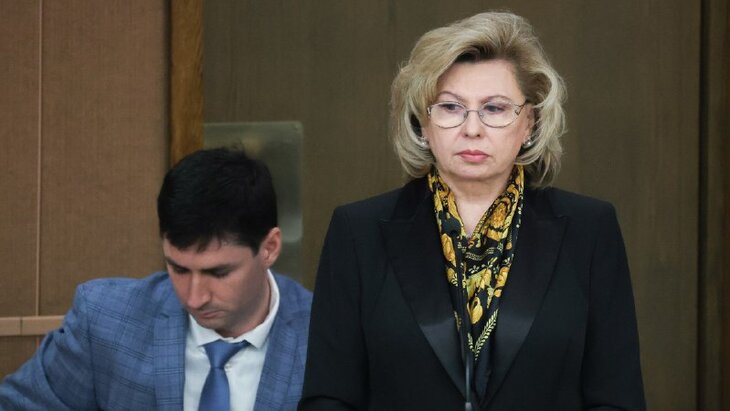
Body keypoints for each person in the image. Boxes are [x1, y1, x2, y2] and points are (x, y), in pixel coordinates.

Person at [300, 11, 645, 410]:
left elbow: (616, 399)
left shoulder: (590, 230)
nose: (472, 128)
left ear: (529, 122)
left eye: (495, 109)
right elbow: (329, 397)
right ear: (423, 123)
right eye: (450, 107)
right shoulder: (358, 232)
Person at [0, 148, 312, 411]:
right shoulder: (105, 323)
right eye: (179, 269)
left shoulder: (323, 336)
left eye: (218, 273)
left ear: (270, 248)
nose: (194, 298)